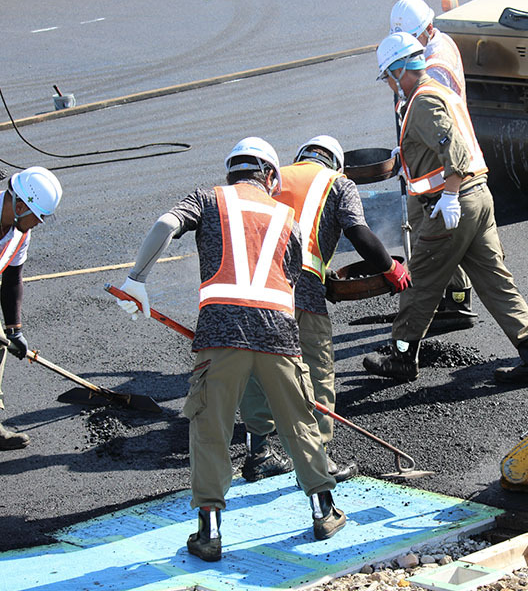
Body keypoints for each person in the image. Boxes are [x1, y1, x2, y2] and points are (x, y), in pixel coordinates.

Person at [114, 137, 346, 562]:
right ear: (270, 175)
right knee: (299, 423)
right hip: (279, 336)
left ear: (232, 171)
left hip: (221, 338)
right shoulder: (287, 217)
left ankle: (210, 533)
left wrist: (136, 280)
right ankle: (324, 511)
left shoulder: (207, 199)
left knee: (210, 430)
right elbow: (292, 278)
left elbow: (166, 225)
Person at [363, 32, 528, 385]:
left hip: (454, 205)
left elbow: (455, 151)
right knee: (495, 280)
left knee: (420, 281)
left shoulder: (421, 101)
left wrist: (450, 196)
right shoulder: (441, 91)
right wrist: (404, 155)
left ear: (399, 70)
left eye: (388, 77)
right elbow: (444, 143)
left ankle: (402, 356)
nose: (389, 85)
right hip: (479, 198)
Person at [238, 135, 410, 483]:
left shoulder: (274, 176)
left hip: (252, 286)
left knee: (257, 368)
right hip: (299, 290)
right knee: (317, 369)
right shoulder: (338, 183)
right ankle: (318, 460)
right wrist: (390, 269)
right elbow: (358, 231)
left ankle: (259, 454)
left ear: (301, 156)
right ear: (336, 163)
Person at [390, 0, 476, 323]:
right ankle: (454, 299)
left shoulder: (433, 67)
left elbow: (436, 123)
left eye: (412, 38)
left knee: (430, 236)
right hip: (440, 159)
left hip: (438, 164)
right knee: (451, 235)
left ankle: (422, 313)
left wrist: (409, 148)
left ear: (427, 29)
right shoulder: (442, 43)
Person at [0, 167, 63, 450]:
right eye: (36, 217)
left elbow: (12, 278)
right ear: (20, 205)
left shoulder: (19, 233)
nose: (38, 223)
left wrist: (14, 330)